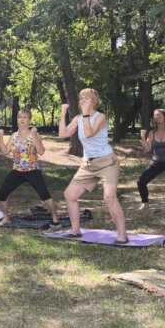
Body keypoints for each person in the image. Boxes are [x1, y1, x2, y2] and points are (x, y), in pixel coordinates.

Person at [58, 89, 127, 242]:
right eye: (81, 98)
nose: (83, 100)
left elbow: (89, 133)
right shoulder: (77, 118)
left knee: (109, 197)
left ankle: (122, 235)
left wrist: (86, 114)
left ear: (94, 101)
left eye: (87, 98)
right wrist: (63, 113)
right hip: (88, 164)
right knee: (70, 195)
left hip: (107, 162)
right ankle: (75, 230)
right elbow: (63, 134)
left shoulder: (100, 117)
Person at [0, 110, 60, 227]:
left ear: (29, 120)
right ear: (17, 119)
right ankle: (6, 218)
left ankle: (55, 219)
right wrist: (0, 136)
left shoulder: (34, 134)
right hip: (17, 170)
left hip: (33, 170)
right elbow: (5, 151)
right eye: (20, 117)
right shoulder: (14, 136)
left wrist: (35, 135)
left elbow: (41, 151)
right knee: (1, 195)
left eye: (25, 117)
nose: (22, 119)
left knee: (45, 195)